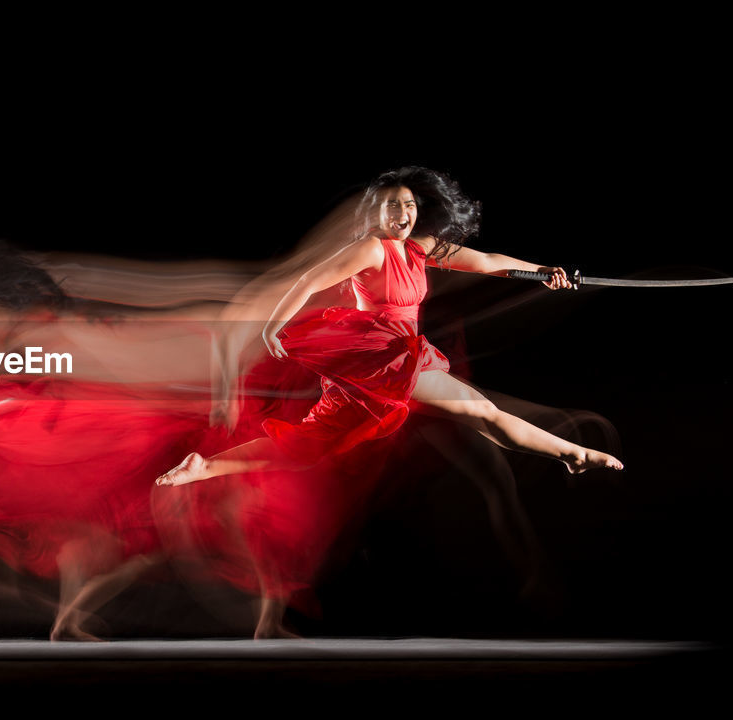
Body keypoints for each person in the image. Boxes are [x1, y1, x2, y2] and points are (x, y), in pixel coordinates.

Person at [154, 167, 622, 636]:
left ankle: (205, 466)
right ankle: (572, 454)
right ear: (375, 212)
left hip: (386, 360)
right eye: (393, 205)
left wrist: (543, 273)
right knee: (481, 411)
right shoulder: (370, 248)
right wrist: (273, 326)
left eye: (410, 205)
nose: (403, 213)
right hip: (381, 354)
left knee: (308, 447)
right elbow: (307, 282)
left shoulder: (419, 249)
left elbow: (486, 261)